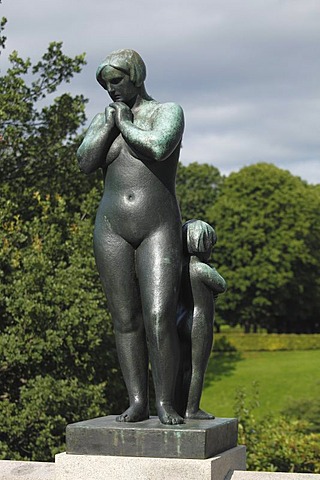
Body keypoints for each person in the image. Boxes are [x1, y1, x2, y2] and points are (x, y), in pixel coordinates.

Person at [77, 49, 184, 425]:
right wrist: (108, 126)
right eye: (106, 85)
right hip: (111, 227)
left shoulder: (167, 112)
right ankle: (138, 400)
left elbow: (157, 147)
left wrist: (124, 124)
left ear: (136, 76)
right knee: (124, 319)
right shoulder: (104, 119)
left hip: (158, 225)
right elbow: (85, 162)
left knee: (158, 316)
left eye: (117, 81)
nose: (111, 90)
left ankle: (166, 402)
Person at [176, 219, 227, 419]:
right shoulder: (201, 269)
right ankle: (192, 409)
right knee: (197, 367)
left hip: (180, 319)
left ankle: (179, 406)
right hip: (199, 321)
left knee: (182, 366)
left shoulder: (179, 267)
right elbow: (221, 285)